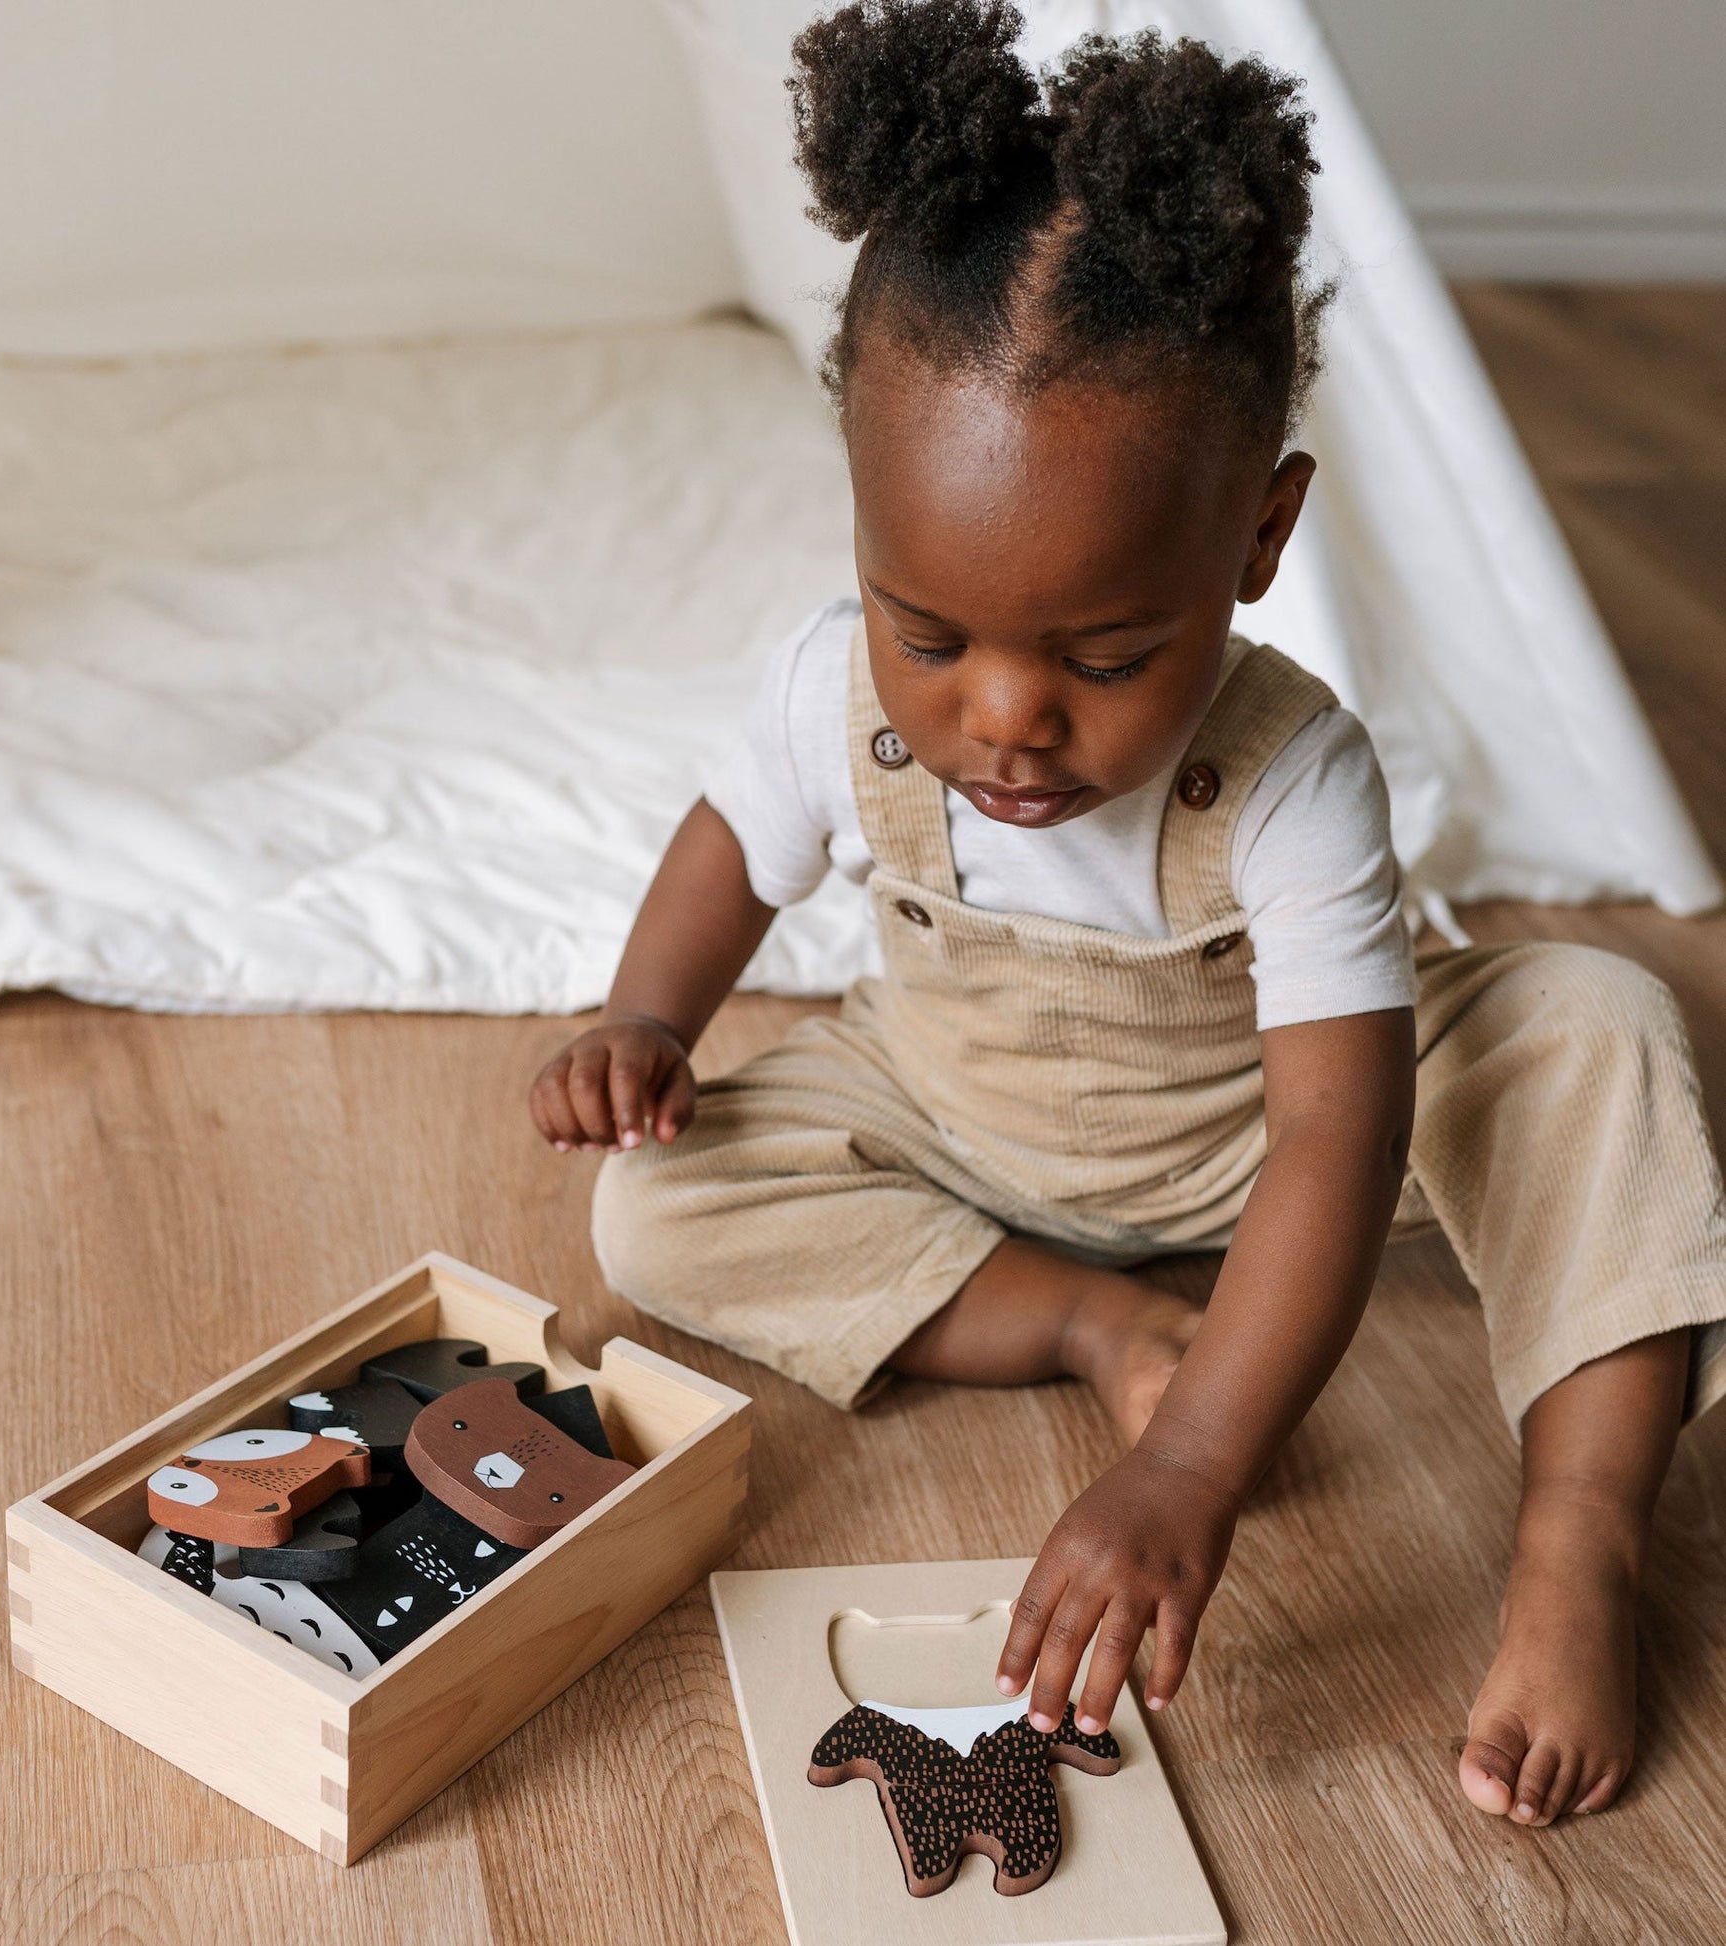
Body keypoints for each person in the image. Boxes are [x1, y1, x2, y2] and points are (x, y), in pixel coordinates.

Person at [528, 0, 1726, 1829]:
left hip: (1273, 1141)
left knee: (1603, 1027)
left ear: (1256, 539)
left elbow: (1335, 1132)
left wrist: (1190, 1468)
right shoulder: (817, 694)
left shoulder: (1292, 775)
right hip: (950, 1115)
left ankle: (1582, 1540)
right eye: (925, 631)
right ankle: (1091, 1318)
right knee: (652, 1202)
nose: (1002, 717)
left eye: (1102, 654)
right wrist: (648, 1021)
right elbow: (724, 852)